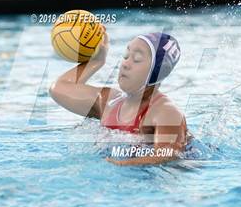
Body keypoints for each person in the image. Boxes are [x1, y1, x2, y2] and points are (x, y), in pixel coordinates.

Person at [50, 28, 193, 166]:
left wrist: (120, 165)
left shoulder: (166, 112)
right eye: (126, 55)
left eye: (136, 59)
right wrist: (96, 62)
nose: (125, 64)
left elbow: (169, 155)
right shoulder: (109, 102)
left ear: (158, 71)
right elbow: (58, 88)